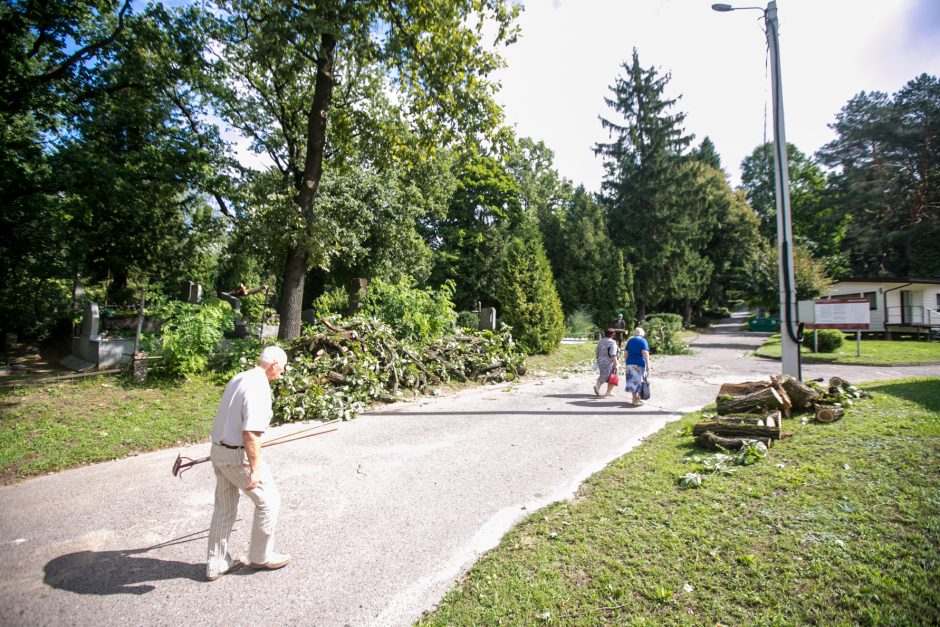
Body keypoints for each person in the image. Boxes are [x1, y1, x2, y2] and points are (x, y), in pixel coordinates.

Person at [206, 345, 291, 582]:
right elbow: (251, 434)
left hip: (219, 451)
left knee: (224, 508)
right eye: (282, 369)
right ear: (273, 364)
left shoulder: (240, 377)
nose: (281, 373)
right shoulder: (259, 388)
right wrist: (255, 469)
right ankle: (261, 557)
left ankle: (216, 563)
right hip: (237, 456)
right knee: (269, 501)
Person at [623, 327, 651, 405]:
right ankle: (636, 399)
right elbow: (645, 352)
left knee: (632, 381)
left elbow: (625, 353)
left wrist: (627, 362)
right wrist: (648, 364)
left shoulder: (630, 341)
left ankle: (635, 398)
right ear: (642, 334)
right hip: (639, 363)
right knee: (639, 381)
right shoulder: (643, 341)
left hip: (629, 363)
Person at [593, 328, 620, 397]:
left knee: (607, 375)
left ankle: (608, 392)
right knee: (612, 375)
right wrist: (616, 364)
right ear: (613, 334)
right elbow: (613, 354)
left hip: (600, 360)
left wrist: (598, 359)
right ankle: (598, 386)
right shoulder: (612, 342)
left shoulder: (601, 341)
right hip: (608, 362)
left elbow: (597, 350)